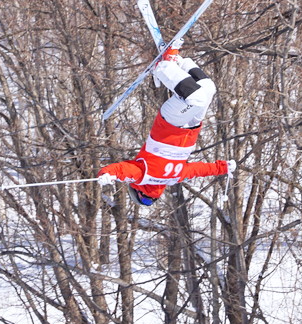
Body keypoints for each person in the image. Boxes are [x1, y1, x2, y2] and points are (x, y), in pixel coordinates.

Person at [98, 40, 236, 206]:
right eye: (150, 202)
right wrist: (223, 168)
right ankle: (179, 61)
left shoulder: (143, 175)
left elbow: (123, 171)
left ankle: (161, 66)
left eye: (144, 200)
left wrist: (106, 173)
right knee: (208, 88)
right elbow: (198, 170)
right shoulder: (173, 178)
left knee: (196, 99)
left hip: (169, 124)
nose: (151, 199)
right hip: (191, 127)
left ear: (138, 190)